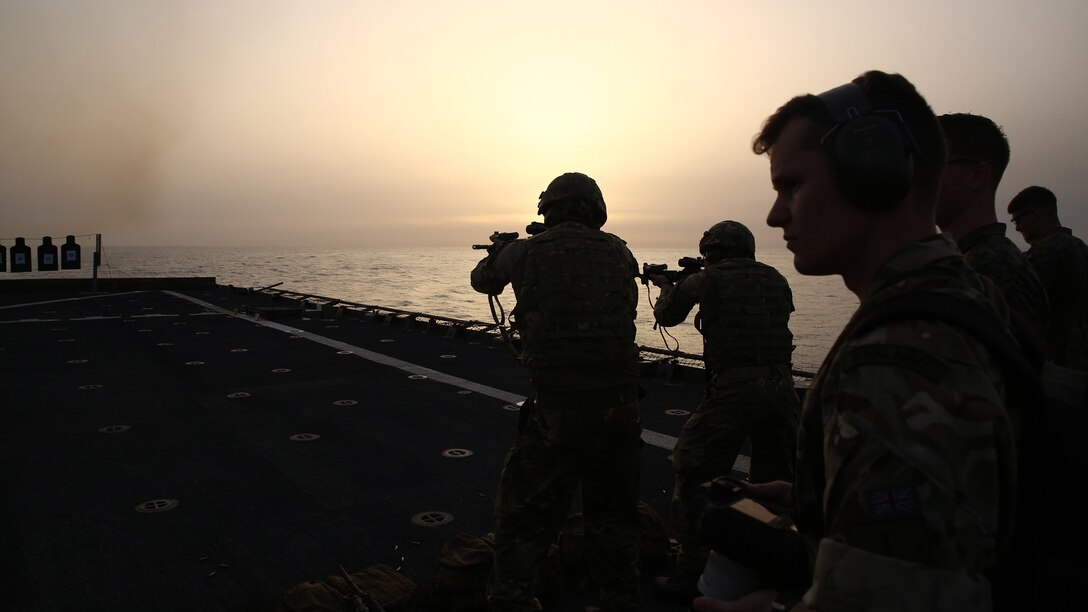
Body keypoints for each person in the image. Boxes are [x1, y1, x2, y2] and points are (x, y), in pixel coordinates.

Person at [694, 71, 1018, 611]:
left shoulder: (894, 361)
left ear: (873, 171)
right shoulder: (968, 293)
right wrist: (825, 501)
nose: (775, 215)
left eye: (792, 184)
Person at [470, 172, 644, 611]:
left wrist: (500, 253)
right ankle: (620, 598)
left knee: (525, 515)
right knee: (614, 515)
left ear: (549, 209)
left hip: (558, 408)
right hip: (620, 406)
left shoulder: (527, 252)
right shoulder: (621, 252)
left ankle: (510, 599)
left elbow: (482, 281)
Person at [646, 220, 800, 603]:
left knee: (694, 468)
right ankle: (766, 569)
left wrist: (668, 287)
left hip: (735, 390)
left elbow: (666, 316)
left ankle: (692, 569)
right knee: (771, 484)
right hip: (783, 389)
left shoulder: (707, 279)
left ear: (711, 251)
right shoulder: (776, 278)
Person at [935, 113, 1048, 335]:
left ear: (977, 175)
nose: (919, 176)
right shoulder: (967, 261)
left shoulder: (993, 270)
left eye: (934, 162)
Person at [1007, 185, 1088, 371]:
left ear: (1036, 214)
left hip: (1053, 364)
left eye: (1018, 220)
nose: (1017, 227)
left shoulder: (1045, 252)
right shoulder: (1082, 248)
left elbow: (1026, 309)